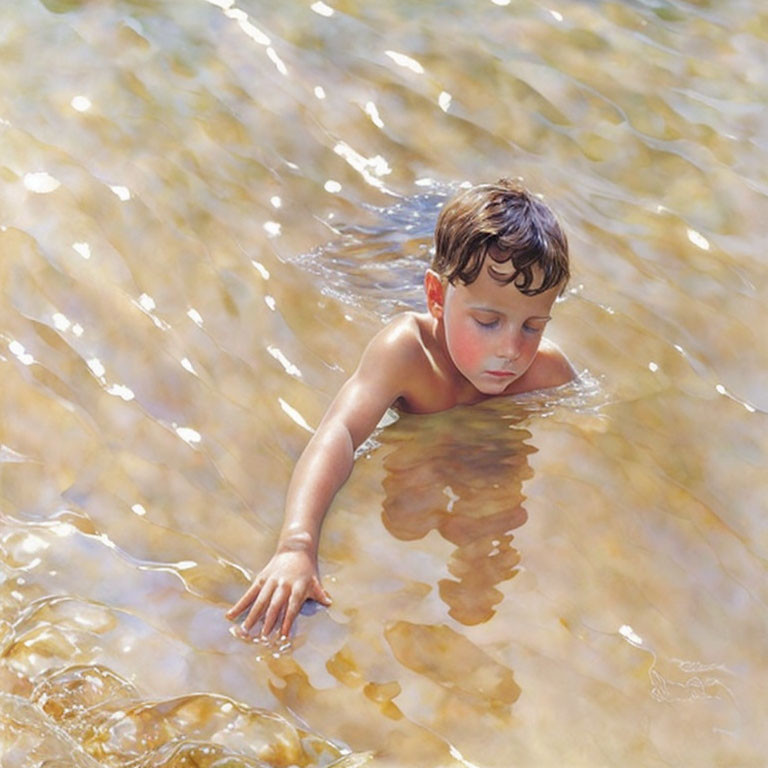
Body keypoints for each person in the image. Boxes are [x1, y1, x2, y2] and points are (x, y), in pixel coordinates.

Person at [226, 178, 576, 640]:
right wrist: (297, 545)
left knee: (495, 510)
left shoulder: (545, 374)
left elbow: (582, 444)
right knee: (407, 520)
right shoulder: (408, 354)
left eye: (533, 327)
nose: (512, 349)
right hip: (418, 427)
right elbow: (341, 434)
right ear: (436, 298)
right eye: (488, 322)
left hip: (480, 452)